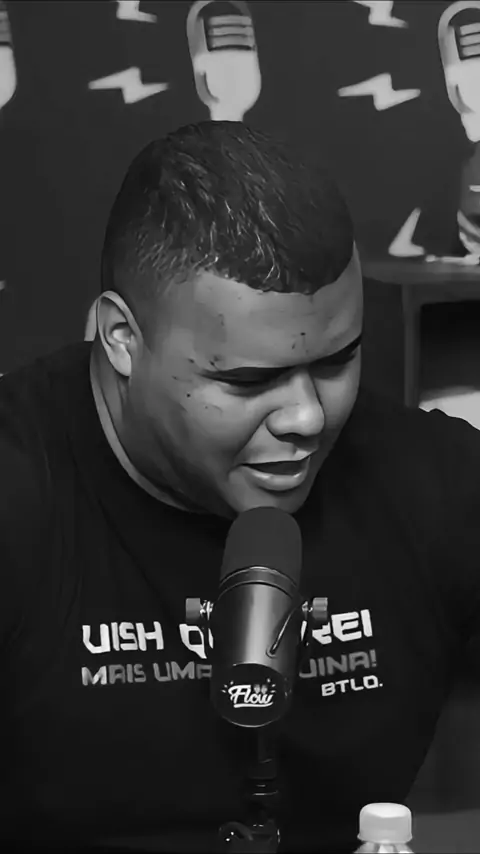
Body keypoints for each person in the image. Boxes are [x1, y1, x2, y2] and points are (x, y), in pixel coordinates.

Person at [1, 120, 480, 854]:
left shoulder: (430, 481)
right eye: (250, 380)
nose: (307, 417)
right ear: (122, 339)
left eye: (337, 361)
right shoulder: (20, 488)